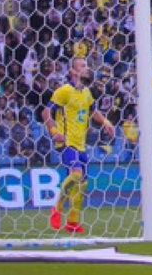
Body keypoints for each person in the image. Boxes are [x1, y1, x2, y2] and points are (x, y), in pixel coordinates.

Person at [41, 57, 116, 234]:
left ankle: (72, 221)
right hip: (66, 141)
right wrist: (54, 132)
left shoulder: (87, 92)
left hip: (81, 143)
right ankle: (56, 208)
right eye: (82, 66)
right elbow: (46, 112)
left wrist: (105, 121)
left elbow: (92, 111)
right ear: (73, 71)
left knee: (82, 184)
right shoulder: (64, 91)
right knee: (76, 174)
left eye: (87, 65)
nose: (86, 68)